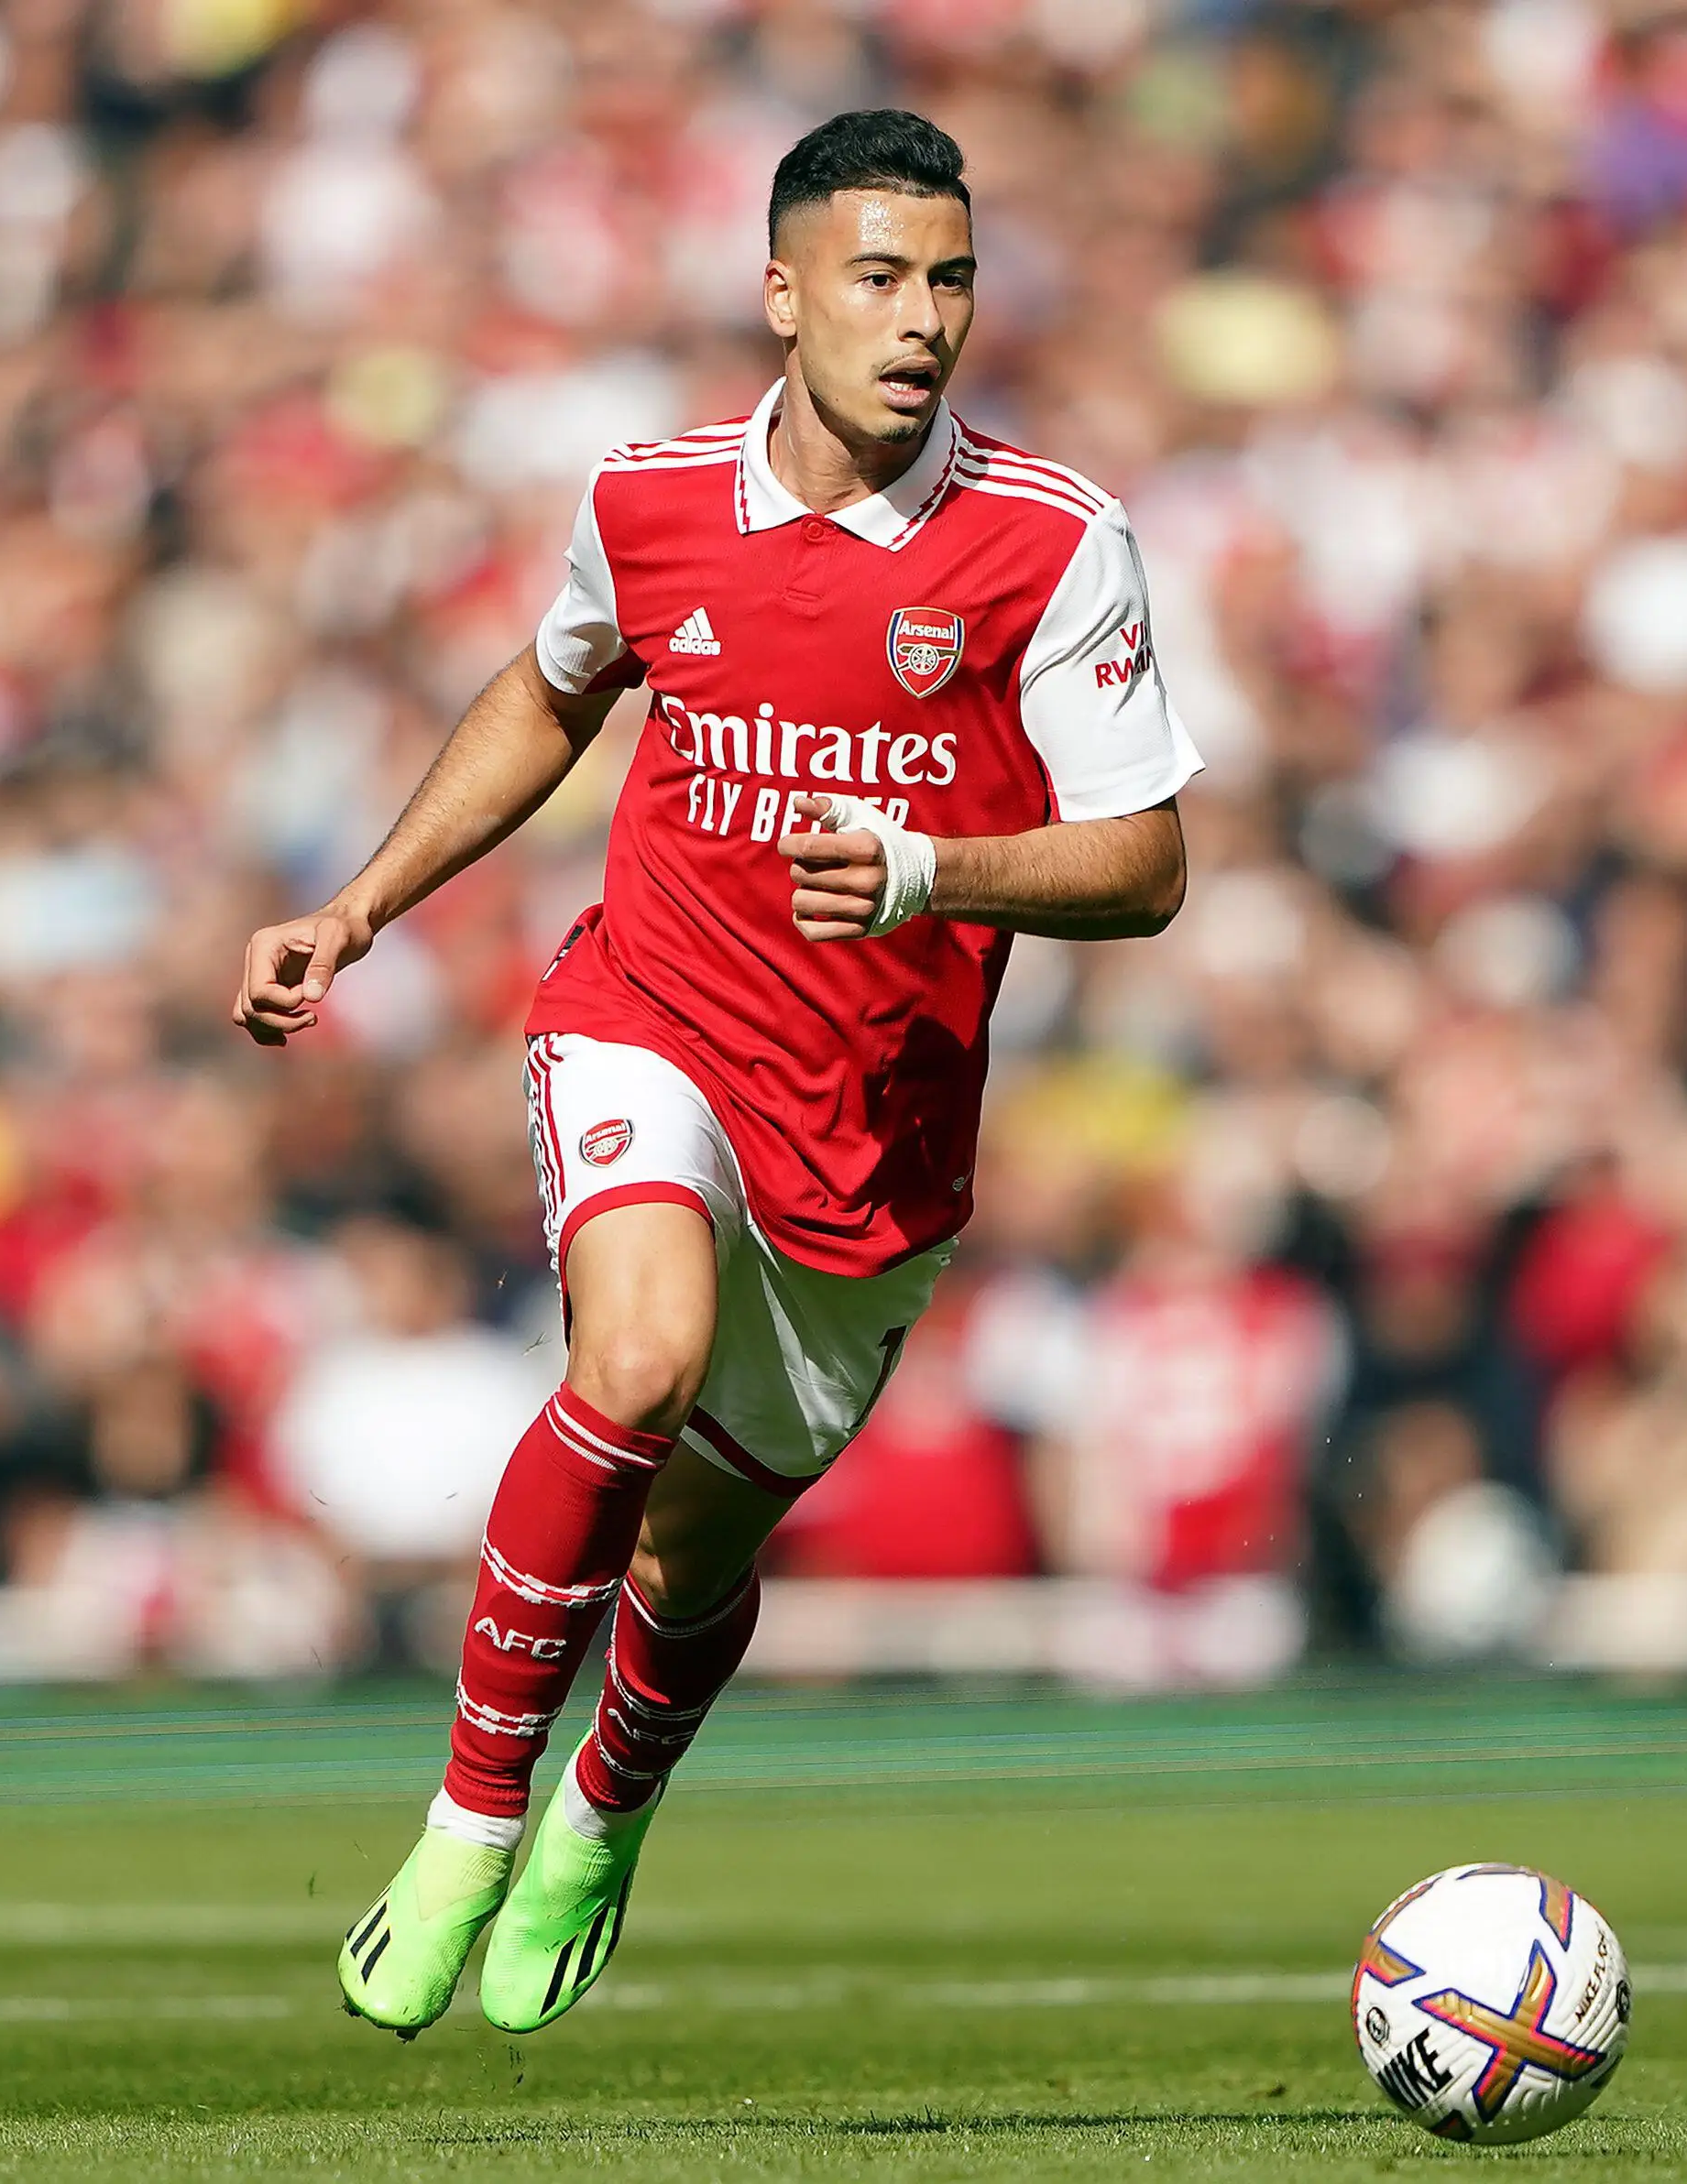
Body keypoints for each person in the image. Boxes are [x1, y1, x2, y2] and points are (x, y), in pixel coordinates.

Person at [231, 110, 1195, 2037]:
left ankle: (604, 1806)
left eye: (950, 280)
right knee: (634, 1359)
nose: (921, 320)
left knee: (691, 1549)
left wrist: (934, 867)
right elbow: (552, 685)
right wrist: (358, 907)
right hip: (647, 1010)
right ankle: (466, 1819)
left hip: (876, 1133)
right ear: (780, 294)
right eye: (877, 277)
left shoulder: (1050, 540)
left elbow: (1148, 860)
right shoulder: (648, 499)